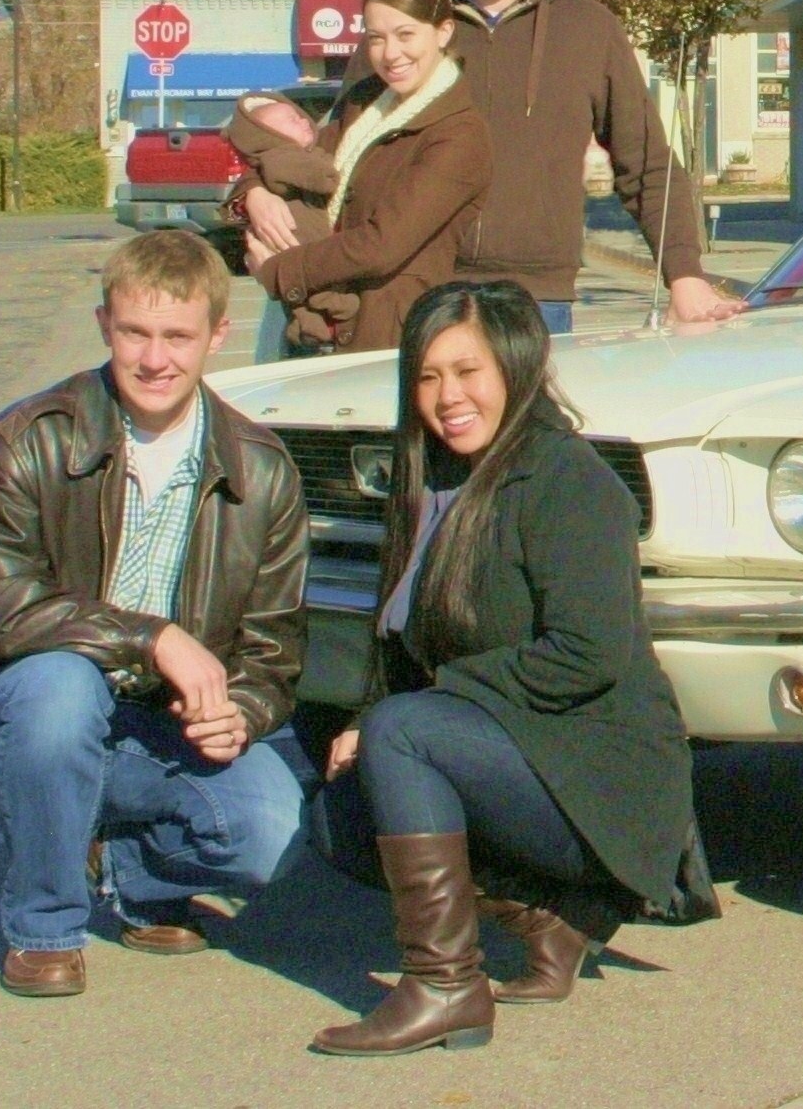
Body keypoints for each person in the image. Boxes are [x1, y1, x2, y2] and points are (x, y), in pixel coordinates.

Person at [308, 280, 705, 1056]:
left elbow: (588, 653)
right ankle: (551, 924)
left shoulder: (569, 479)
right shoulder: (431, 480)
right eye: (428, 376)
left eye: (468, 372)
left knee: (404, 735)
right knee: (342, 816)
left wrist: (416, 711)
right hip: (511, 747)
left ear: (517, 367)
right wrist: (367, 719)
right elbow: (402, 645)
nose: (447, 397)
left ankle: (445, 985)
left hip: (602, 773)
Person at [0, 230, 308, 1000]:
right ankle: (45, 927)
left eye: (178, 336)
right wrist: (152, 637)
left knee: (271, 826)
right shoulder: (29, 438)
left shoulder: (263, 470)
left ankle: (135, 870)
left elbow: (274, 649)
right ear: (105, 325)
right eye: (135, 333)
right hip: (31, 710)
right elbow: (0, 608)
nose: (155, 358)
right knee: (60, 693)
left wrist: (241, 711)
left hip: (160, 727)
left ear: (217, 336)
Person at [245, 0, 740, 334]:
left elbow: (647, 164)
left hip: (534, 299)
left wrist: (684, 274)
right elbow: (327, 147)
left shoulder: (589, 29)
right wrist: (255, 191)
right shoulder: (405, 27)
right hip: (409, 289)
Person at [246, 0, 493, 355]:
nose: (390, 53)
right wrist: (254, 194)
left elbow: (382, 246)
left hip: (385, 335)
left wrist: (281, 271)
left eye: (405, 34)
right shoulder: (365, 102)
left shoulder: (460, 136)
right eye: (376, 38)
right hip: (308, 324)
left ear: (444, 32)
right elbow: (295, 158)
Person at [224, 91, 357, 357]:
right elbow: (324, 178)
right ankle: (328, 312)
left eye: (300, 116)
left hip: (298, 241)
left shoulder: (279, 157)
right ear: (269, 135)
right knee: (317, 286)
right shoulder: (285, 157)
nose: (305, 121)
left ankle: (309, 328)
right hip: (301, 236)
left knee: (301, 304)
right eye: (292, 120)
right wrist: (253, 193)